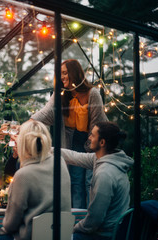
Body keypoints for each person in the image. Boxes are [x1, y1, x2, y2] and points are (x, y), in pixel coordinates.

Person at [31, 59, 108, 208]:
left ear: (75, 73)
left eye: (65, 73)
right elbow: (46, 112)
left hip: (94, 141)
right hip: (71, 141)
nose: (62, 77)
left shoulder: (93, 94)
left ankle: (90, 216)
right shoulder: (60, 93)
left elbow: (97, 125)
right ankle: (77, 218)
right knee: (75, 181)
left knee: (90, 181)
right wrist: (29, 123)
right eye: (60, 74)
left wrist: (91, 146)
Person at [0, 120, 71, 240]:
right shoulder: (60, 163)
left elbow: (10, 224)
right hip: (59, 235)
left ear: (23, 143)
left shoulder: (23, 175)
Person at [60, 121, 133, 240]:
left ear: (102, 142)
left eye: (93, 135)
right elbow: (75, 157)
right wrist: (46, 148)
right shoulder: (105, 159)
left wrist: (74, 227)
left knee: (62, 236)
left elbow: (94, 221)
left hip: (104, 235)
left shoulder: (105, 174)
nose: (89, 137)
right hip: (108, 230)